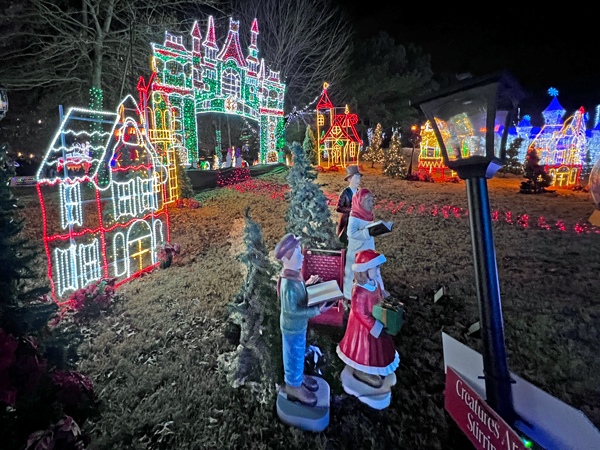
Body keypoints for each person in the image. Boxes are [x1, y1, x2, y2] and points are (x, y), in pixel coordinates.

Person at [275, 233, 332, 407]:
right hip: (292, 327)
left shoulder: (295, 276)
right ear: (286, 258)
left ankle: (297, 378)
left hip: (298, 327)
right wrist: (317, 310)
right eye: (298, 253)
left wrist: (309, 284)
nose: (302, 256)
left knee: (298, 354)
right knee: (293, 355)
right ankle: (293, 386)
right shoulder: (288, 283)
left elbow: (298, 297)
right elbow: (292, 311)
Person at [337, 249, 399, 388]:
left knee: (378, 348)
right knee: (364, 350)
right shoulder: (359, 290)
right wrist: (375, 326)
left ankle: (376, 367)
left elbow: (380, 297)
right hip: (363, 327)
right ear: (364, 270)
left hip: (376, 320)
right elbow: (360, 313)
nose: (378, 271)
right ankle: (361, 371)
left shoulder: (375, 283)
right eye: (375, 268)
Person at [343, 189, 389, 300]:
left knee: (373, 269)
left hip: (368, 248)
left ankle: (376, 290)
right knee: (355, 272)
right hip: (357, 251)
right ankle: (351, 294)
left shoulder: (368, 215)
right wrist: (367, 233)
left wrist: (379, 230)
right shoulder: (354, 217)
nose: (371, 203)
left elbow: (369, 229)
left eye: (371, 201)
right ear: (360, 202)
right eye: (368, 201)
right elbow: (351, 233)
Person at [336, 166, 363, 246]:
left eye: (359, 178)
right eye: (356, 178)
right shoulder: (345, 193)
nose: (358, 180)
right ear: (349, 179)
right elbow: (338, 208)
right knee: (345, 242)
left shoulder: (359, 192)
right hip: (346, 222)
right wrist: (351, 209)